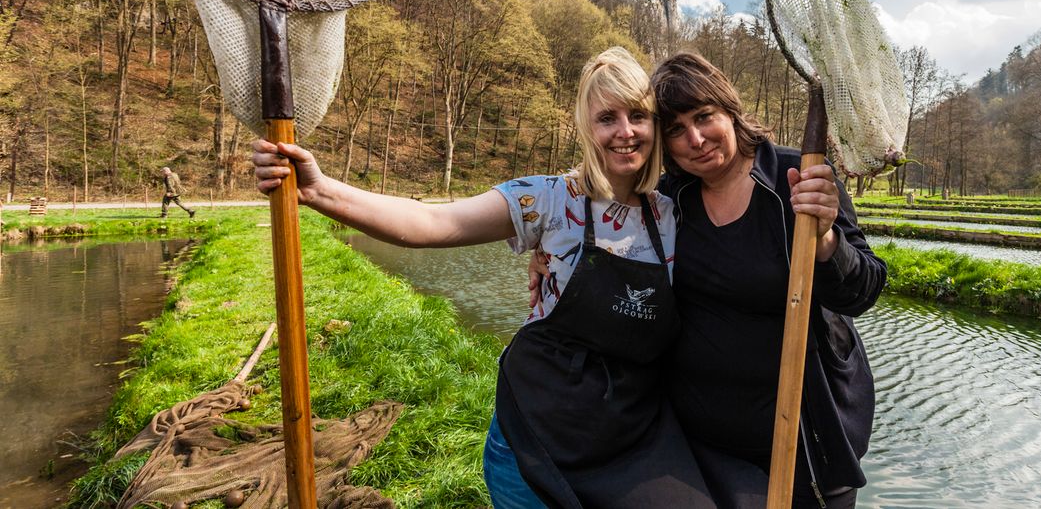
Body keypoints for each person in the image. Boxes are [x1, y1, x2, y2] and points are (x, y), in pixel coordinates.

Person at [252, 48, 716, 509]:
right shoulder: (548, 199)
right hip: (535, 437)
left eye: (638, 115)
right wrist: (320, 189)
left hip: (628, 440)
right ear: (586, 129)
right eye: (606, 118)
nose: (625, 132)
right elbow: (430, 224)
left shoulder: (674, 212)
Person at [651, 53, 885, 509]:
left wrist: (825, 241)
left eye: (704, 117)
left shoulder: (797, 178)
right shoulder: (668, 198)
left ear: (730, 112)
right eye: (676, 129)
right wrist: (547, 247)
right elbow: (606, 221)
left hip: (802, 442)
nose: (695, 139)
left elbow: (865, 289)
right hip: (700, 444)